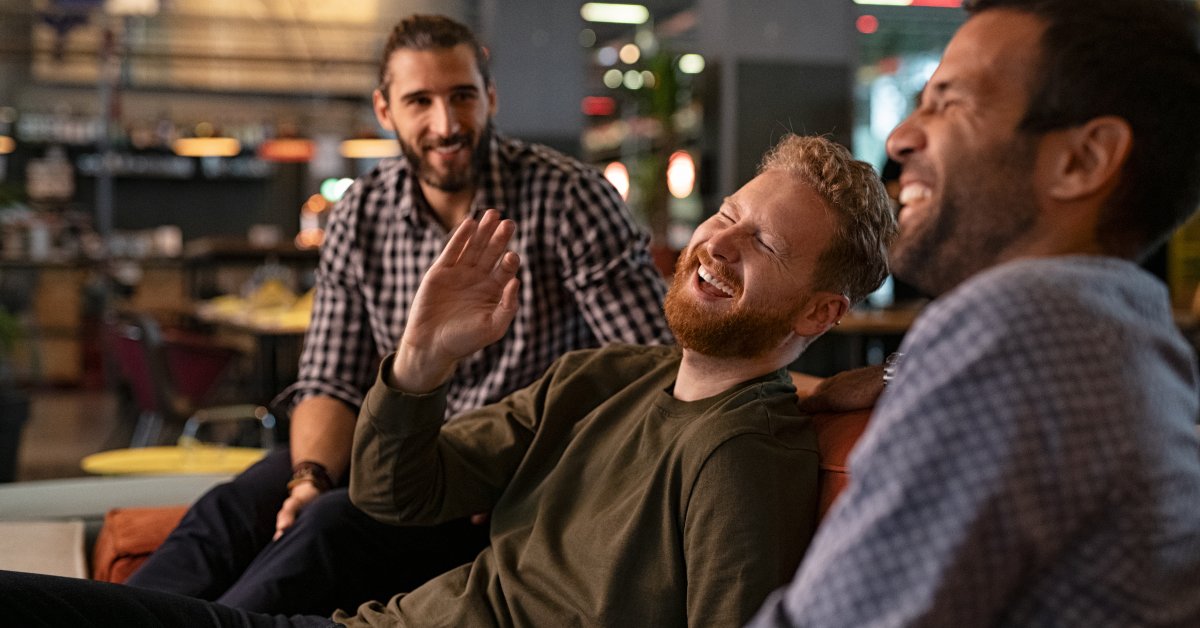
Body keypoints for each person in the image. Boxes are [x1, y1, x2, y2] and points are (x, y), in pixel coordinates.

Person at [0, 133, 896, 627]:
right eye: (729, 216)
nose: (717, 243)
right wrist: (422, 362)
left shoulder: (743, 454)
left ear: (817, 314)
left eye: (764, 244)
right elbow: (393, 492)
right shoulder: (605, 380)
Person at [125, 14, 673, 615]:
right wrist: (310, 475)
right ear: (385, 111)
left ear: (490, 98)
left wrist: (530, 472)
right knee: (230, 510)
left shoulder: (570, 197)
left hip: (494, 470)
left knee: (328, 530)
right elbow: (329, 380)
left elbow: (650, 370)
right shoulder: (362, 211)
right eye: (420, 101)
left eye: (463, 96)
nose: (447, 124)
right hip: (388, 447)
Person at [749, 1, 1200, 626]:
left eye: (948, 102)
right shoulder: (1130, 326)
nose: (900, 137)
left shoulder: (1017, 322)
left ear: (1082, 160)